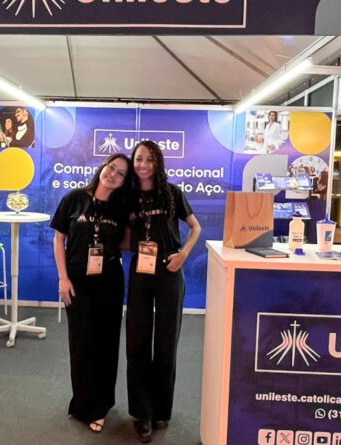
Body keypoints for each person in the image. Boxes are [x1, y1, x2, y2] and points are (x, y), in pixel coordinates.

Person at [125, 141, 201, 443]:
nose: (143, 164)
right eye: (138, 159)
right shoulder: (128, 196)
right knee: (137, 343)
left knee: (166, 344)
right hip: (140, 273)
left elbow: (195, 228)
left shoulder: (172, 192)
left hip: (170, 270)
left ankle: (161, 410)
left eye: (149, 159)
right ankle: (142, 413)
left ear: (157, 162)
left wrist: (183, 255)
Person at [51, 154, 132, 434]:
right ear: (103, 167)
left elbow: (125, 243)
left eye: (121, 174)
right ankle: (84, 404)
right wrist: (63, 278)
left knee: (107, 344)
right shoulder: (74, 198)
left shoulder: (120, 208)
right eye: (112, 167)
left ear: (124, 181)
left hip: (109, 282)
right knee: (81, 343)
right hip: (77, 282)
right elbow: (59, 239)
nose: (113, 174)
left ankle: (100, 406)